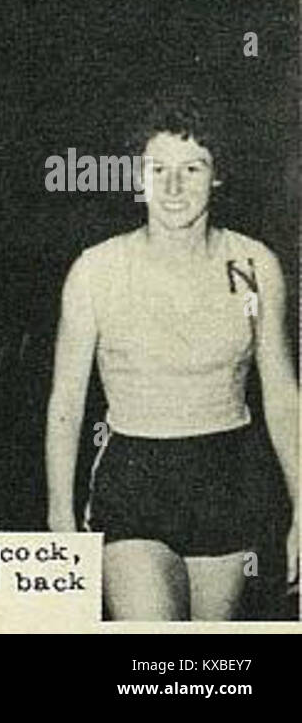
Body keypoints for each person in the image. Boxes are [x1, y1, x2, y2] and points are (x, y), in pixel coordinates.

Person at [46, 95, 299, 620]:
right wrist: (59, 516)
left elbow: (282, 393)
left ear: (218, 176)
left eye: (192, 168)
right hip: (133, 482)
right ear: (136, 179)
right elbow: (66, 402)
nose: (174, 187)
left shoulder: (253, 266)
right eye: (158, 169)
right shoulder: (97, 271)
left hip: (228, 481)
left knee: (203, 667)